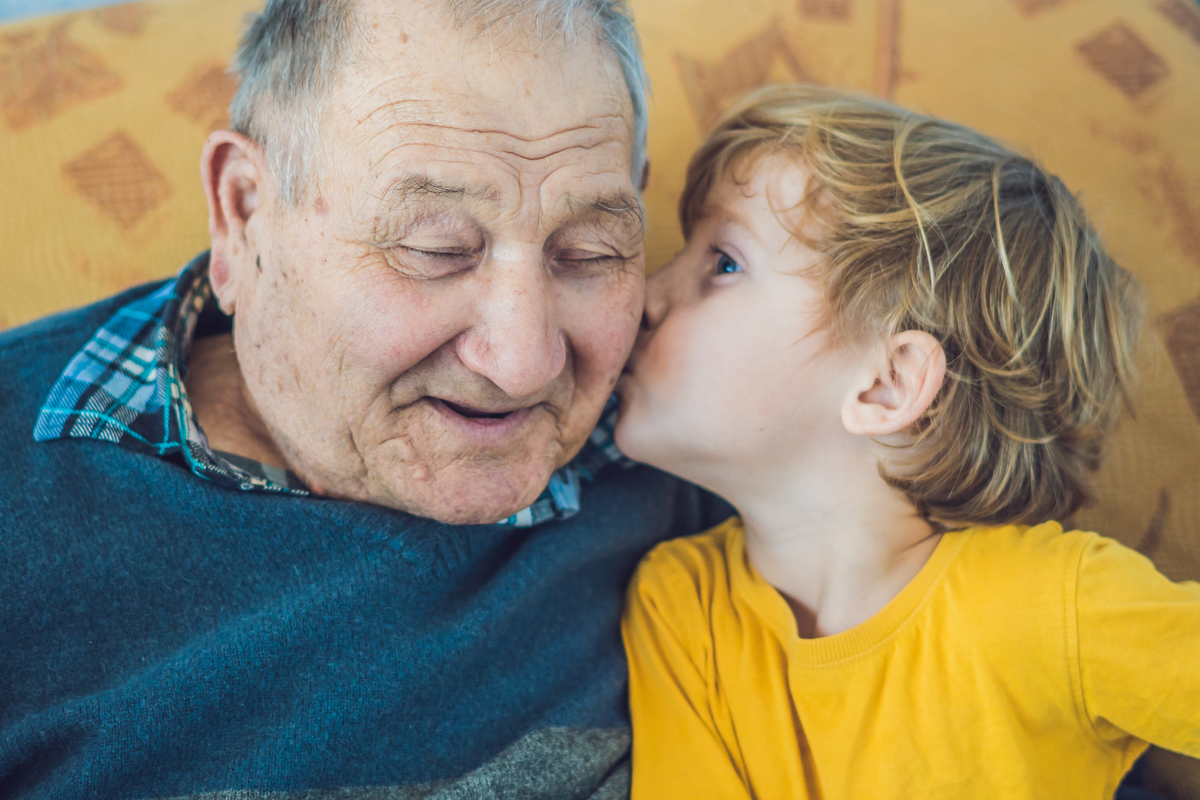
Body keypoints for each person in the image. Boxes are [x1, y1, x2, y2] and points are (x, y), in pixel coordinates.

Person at [0, 0, 727, 796]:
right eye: (437, 248)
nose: (524, 363)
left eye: (590, 251)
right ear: (243, 214)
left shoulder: (681, 435)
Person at [616, 85, 1200, 799]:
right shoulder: (679, 606)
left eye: (724, 263)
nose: (644, 294)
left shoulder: (1054, 605)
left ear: (887, 385)